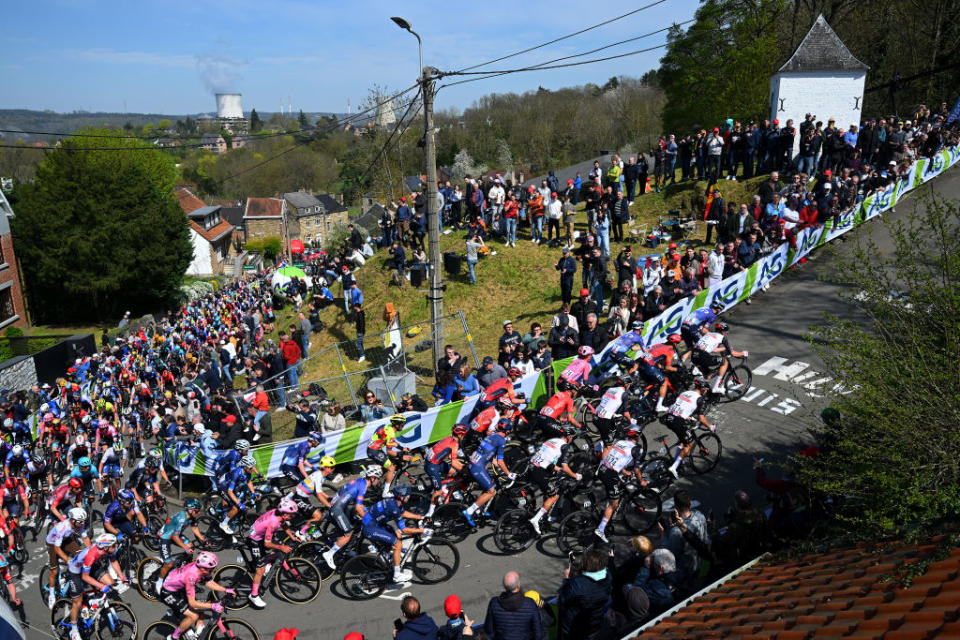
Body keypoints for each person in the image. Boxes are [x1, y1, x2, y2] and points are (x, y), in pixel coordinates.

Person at [64, 533, 129, 640]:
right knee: (78, 602)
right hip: (75, 571)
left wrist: (122, 577)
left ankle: (93, 602)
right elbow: (85, 577)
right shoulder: (92, 554)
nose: (116, 546)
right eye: (114, 545)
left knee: (109, 582)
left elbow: (114, 561)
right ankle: (74, 630)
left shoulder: (108, 549)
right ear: (106, 547)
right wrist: (101, 586)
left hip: (91, 565)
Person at [361, 485, 429, 583]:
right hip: (371, 528)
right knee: (398, 544)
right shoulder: (394, 508)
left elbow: (403, 513)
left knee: (397, 535)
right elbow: (404, 529)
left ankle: (387, 558)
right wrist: (422, 531)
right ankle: (396, 575)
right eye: (407, 495)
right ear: (401, 497)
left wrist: (420, 517)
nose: (409, 497)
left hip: (375, 524)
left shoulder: (395, 502)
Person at [159, 551, 233, 640]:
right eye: (211, 569)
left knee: (201, 606)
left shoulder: (201, 568)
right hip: (168, 592)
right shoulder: (191, 576)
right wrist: (213, 606)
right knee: (194, 616)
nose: (213, 570)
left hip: (179, 587)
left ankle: (197, 635)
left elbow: (209, 582)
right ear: (203, 569)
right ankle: (174, 637)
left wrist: (225, 589)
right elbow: (192, 603)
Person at [321, 467, 383, 569]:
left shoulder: (359, 480)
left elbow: (357, 502)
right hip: (337, 509)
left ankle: (345, 551)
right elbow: (358, 508)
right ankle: (329, 554)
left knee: (354, 524)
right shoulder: (363, 486)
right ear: (372, 478)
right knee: (348, 533)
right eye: (378, 478)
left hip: (339, 506)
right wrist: (370, 519)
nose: (379, 480)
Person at [527, 426, 582, 535]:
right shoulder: (565, 446)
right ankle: (536, 519)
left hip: (531, 466)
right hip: (539, 470)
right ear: (569, 437)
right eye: (572, 438)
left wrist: (558, 469)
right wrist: (576, 476)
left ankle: (544, 514)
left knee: (547, 490)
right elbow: (566, 467)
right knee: (554, 496)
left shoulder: (551, 440)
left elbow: (546, 458)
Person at [246, 499, 301, 609]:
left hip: (260, 534)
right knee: (260, 569)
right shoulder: (274, 522)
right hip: (254, 540)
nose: (293, 517)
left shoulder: (278, 513)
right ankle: (254, 595)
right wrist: (281, 547)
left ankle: (265, 565)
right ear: (284, 514)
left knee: (276, 549)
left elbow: (284, 525)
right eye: (291, 515)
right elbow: (267, 544)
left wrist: (292, 536)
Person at [594, 427, 646, 543]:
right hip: (610, 474)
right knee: (614, 504)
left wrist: (624, 471)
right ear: (637, 436)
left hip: (602, 468)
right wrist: (640, 481)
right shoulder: (637, 449)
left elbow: (615, 458)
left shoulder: (620, 442)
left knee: (615, 490)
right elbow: (637, 470)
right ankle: (600, 529)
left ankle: (606, 514)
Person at [462, 421, 515, 528]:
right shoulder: (501, 440)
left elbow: (490, 455)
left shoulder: (491, 435)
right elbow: (500, 461)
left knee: (489, 483)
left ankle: (480, 507)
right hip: (478, 467)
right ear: (508, 431)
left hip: (473, 463)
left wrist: (499, 466)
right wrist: (509, 474)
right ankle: (469, 511)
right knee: (491, 491)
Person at [661, 378, 717, 478]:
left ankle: (676, 459)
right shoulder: (700, 398)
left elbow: (681, 406)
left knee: (683, 439)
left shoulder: (685, 392)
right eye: (706, 390)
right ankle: (674, 467)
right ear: (703, 389)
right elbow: (702, 418)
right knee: (689, 445)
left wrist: (688, 417)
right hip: (677, 421)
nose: (706, 392)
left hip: (669, 417)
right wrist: (710, 427)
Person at [558, 548, 612, 640]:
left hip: (573, 627)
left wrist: (567, 579)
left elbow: (563, 599)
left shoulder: (577, 584)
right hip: (596, 624)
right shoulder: (608, 576)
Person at [156, 497, 206, 592]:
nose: (198, 513)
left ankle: (180, 570)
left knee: (190, 547)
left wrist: (203, 540)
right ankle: (159, 582)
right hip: (165, 536)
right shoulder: (181, 518)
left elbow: (195, 528)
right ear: (191, 510)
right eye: (197, 511)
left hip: (175, 534)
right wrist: (185, 548)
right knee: (168, 564)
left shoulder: (191, 516)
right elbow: (175, 537)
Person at [45, 506, 90, 609]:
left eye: (83, 522)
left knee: (80, 556)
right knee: (54, 571)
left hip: (67, 540)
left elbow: (86, 538)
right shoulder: (62, 528)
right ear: (73, 520)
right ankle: (51, 595)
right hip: (53, 544)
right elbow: (57, 548)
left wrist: (91, 552)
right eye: (80, 522)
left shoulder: (79, 523)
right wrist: (68, 560)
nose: (82, 524)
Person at [691, 321, 748, 394]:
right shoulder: (722, 338)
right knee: (725, 362)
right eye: (726, 331)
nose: (726, 333)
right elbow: (732, 353)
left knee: (708, 376)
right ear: (723, 331)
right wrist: (744, 353)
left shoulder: (709, 334)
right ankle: (716, 387)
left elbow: (713, 349)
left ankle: (698, 394)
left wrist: (723, 349)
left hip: (694, 355)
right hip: (703, 356)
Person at [484, 571, 544, 640]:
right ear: (518, 585)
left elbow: (488, 629)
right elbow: (538, 633)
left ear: (504, 586)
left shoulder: (494, 603)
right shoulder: (530, 603)